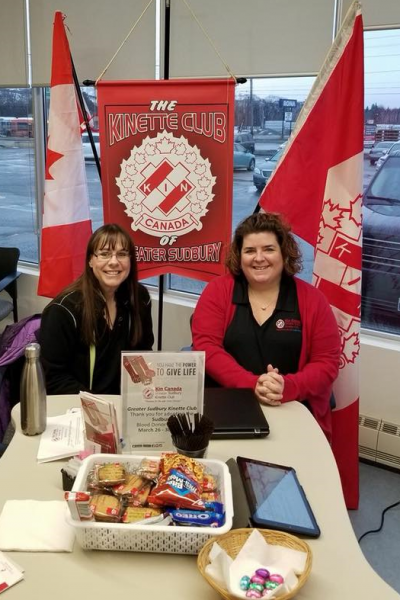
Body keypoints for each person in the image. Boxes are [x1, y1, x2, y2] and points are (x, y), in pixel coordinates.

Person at [192, 212, 341, 441]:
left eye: (268, 249)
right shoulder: (217, 291)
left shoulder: (313, 300)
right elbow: (206, 348)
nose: (259, 258)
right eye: (250, 250)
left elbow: (327, 362)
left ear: (284, 253)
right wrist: (252, 384)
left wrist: (287, 387)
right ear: (239, 256)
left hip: (293, 407)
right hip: (227, 407)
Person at [40, 223, 154, 395]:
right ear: (90, 261)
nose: (114, 262)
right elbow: (53, 378)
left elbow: (144, 352)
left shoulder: (139, 298)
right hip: (79, 407)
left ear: (131, 260)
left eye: (122, 254)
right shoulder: (63, 310)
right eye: (104, 254)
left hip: (126, 402)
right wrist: (99, 406)